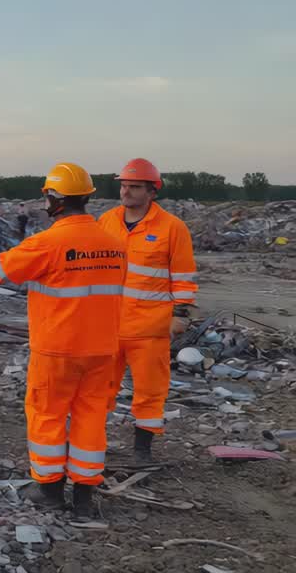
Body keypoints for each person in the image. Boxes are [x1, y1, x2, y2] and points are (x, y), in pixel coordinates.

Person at [0, 163, 124, 515]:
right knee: (91, 417)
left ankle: (49, 490)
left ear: (56, 199)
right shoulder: (114, 245)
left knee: (47, 415)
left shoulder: (49, 242)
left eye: (48, 197)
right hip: (102, 348)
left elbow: (3, 267)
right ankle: (84, 495)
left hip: (58, 349)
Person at [97, 158, 197, 461]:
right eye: (124, 186)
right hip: (108, 325)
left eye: (134, 187)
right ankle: (90, 445)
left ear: (152, 191)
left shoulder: (172, 228)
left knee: (151, 393)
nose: (126, 192)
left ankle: (142, 452)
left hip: (150, 328)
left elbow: (183, 276)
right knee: (98, 390)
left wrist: (181, 314)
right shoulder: (107, 221)